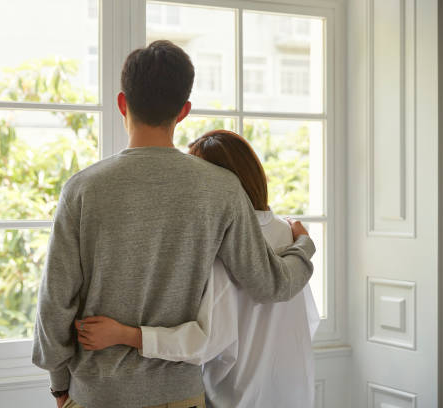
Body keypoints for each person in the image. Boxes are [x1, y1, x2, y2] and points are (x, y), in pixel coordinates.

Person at [31, 40, 316, 408]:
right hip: (180, 397)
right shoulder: (221, 189)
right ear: (183, 111)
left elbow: (54, 303)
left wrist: (59, 385)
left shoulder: (83, 189)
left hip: (98, 394)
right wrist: (304, 246)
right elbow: (270, 283)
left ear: (122, 103)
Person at [76, 130, 321, 408]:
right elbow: (307, 321)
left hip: (237, 397)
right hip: (295, 391)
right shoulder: (288, 232)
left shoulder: (219, 243)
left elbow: (205, 341)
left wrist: (125, 334)